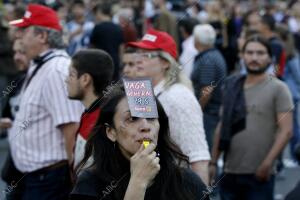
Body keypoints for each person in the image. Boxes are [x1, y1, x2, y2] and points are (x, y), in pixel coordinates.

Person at [70, 85, 210, 200]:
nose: (145, 126)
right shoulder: (90, 184)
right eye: (132, 119)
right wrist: (138, 182)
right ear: (111, 132)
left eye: (151, 117)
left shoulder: (186, 181)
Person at [8, 4, 83, 200]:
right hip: (33, 176)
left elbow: (71, 128)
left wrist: (73, 177)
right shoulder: (42, 64)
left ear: (42, 37)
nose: (19, 36)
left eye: (25, 31)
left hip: (48, 179)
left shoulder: (57, 70)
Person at [210, 35, 293, 200]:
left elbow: (286, 131)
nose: (254, 57)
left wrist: (268, 163)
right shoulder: (231, 85)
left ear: (270, 58)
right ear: (242, 55)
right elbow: (222, 125)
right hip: (229, 171)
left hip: (260, 173)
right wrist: (213, 162)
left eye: (260, 53)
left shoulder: (279, 88)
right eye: (249, 52)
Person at [127, 29, 210, 184]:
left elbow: (198, 156)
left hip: (175, 187)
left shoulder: (179, 96)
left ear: (165, 63)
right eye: (137, 53)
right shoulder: (142, 93)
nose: (138, 60)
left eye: (147, 55)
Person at [65, 49, 114, 169]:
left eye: (71, 74)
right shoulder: (90, 112)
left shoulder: (101, 123)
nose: (66, 80)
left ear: (85, 79)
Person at [0, 38, 29, 200]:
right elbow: (8, 116)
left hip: (40, 169)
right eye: (15, 52)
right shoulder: (18, 82)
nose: (17, 57)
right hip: (16, 165)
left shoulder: (48, 80)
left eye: (22, 52)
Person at [191, 24, 227, 152]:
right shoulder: (212, 55)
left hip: (209, 112)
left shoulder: (208, 60)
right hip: (211, 111)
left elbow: (207, 91)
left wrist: (197, 111)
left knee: (206, 149)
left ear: (197, 40)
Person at [90, 2, 124, 81]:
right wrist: (121, 63)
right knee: (114, 87)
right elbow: (121, 48)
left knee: (101, 87)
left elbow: (92, 46)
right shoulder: (118, 28)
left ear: (100, 12)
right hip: (115, 62)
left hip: (100, 62)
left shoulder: (97, 28)